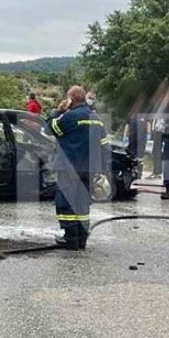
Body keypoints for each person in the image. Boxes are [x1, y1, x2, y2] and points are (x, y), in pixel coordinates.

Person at [44, 85, 106, 249]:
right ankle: (81, 239)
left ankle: (71, 239)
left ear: (70, 99)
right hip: (88, 169)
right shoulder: (96, 118)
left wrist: (58, 111)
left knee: (66, 202)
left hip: (69, 168)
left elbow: (49, 128)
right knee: (83, 203)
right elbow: (104, 145)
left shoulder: (69, 117)